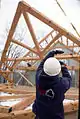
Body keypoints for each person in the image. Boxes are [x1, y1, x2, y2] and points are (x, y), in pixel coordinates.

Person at [32, 50, 72, 119]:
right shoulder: (61, 84)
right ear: (58, 71)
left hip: (40, 115)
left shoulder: (38, 78)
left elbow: (41, 65)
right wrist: (63, 67)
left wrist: (51, 53)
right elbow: (68, 79)